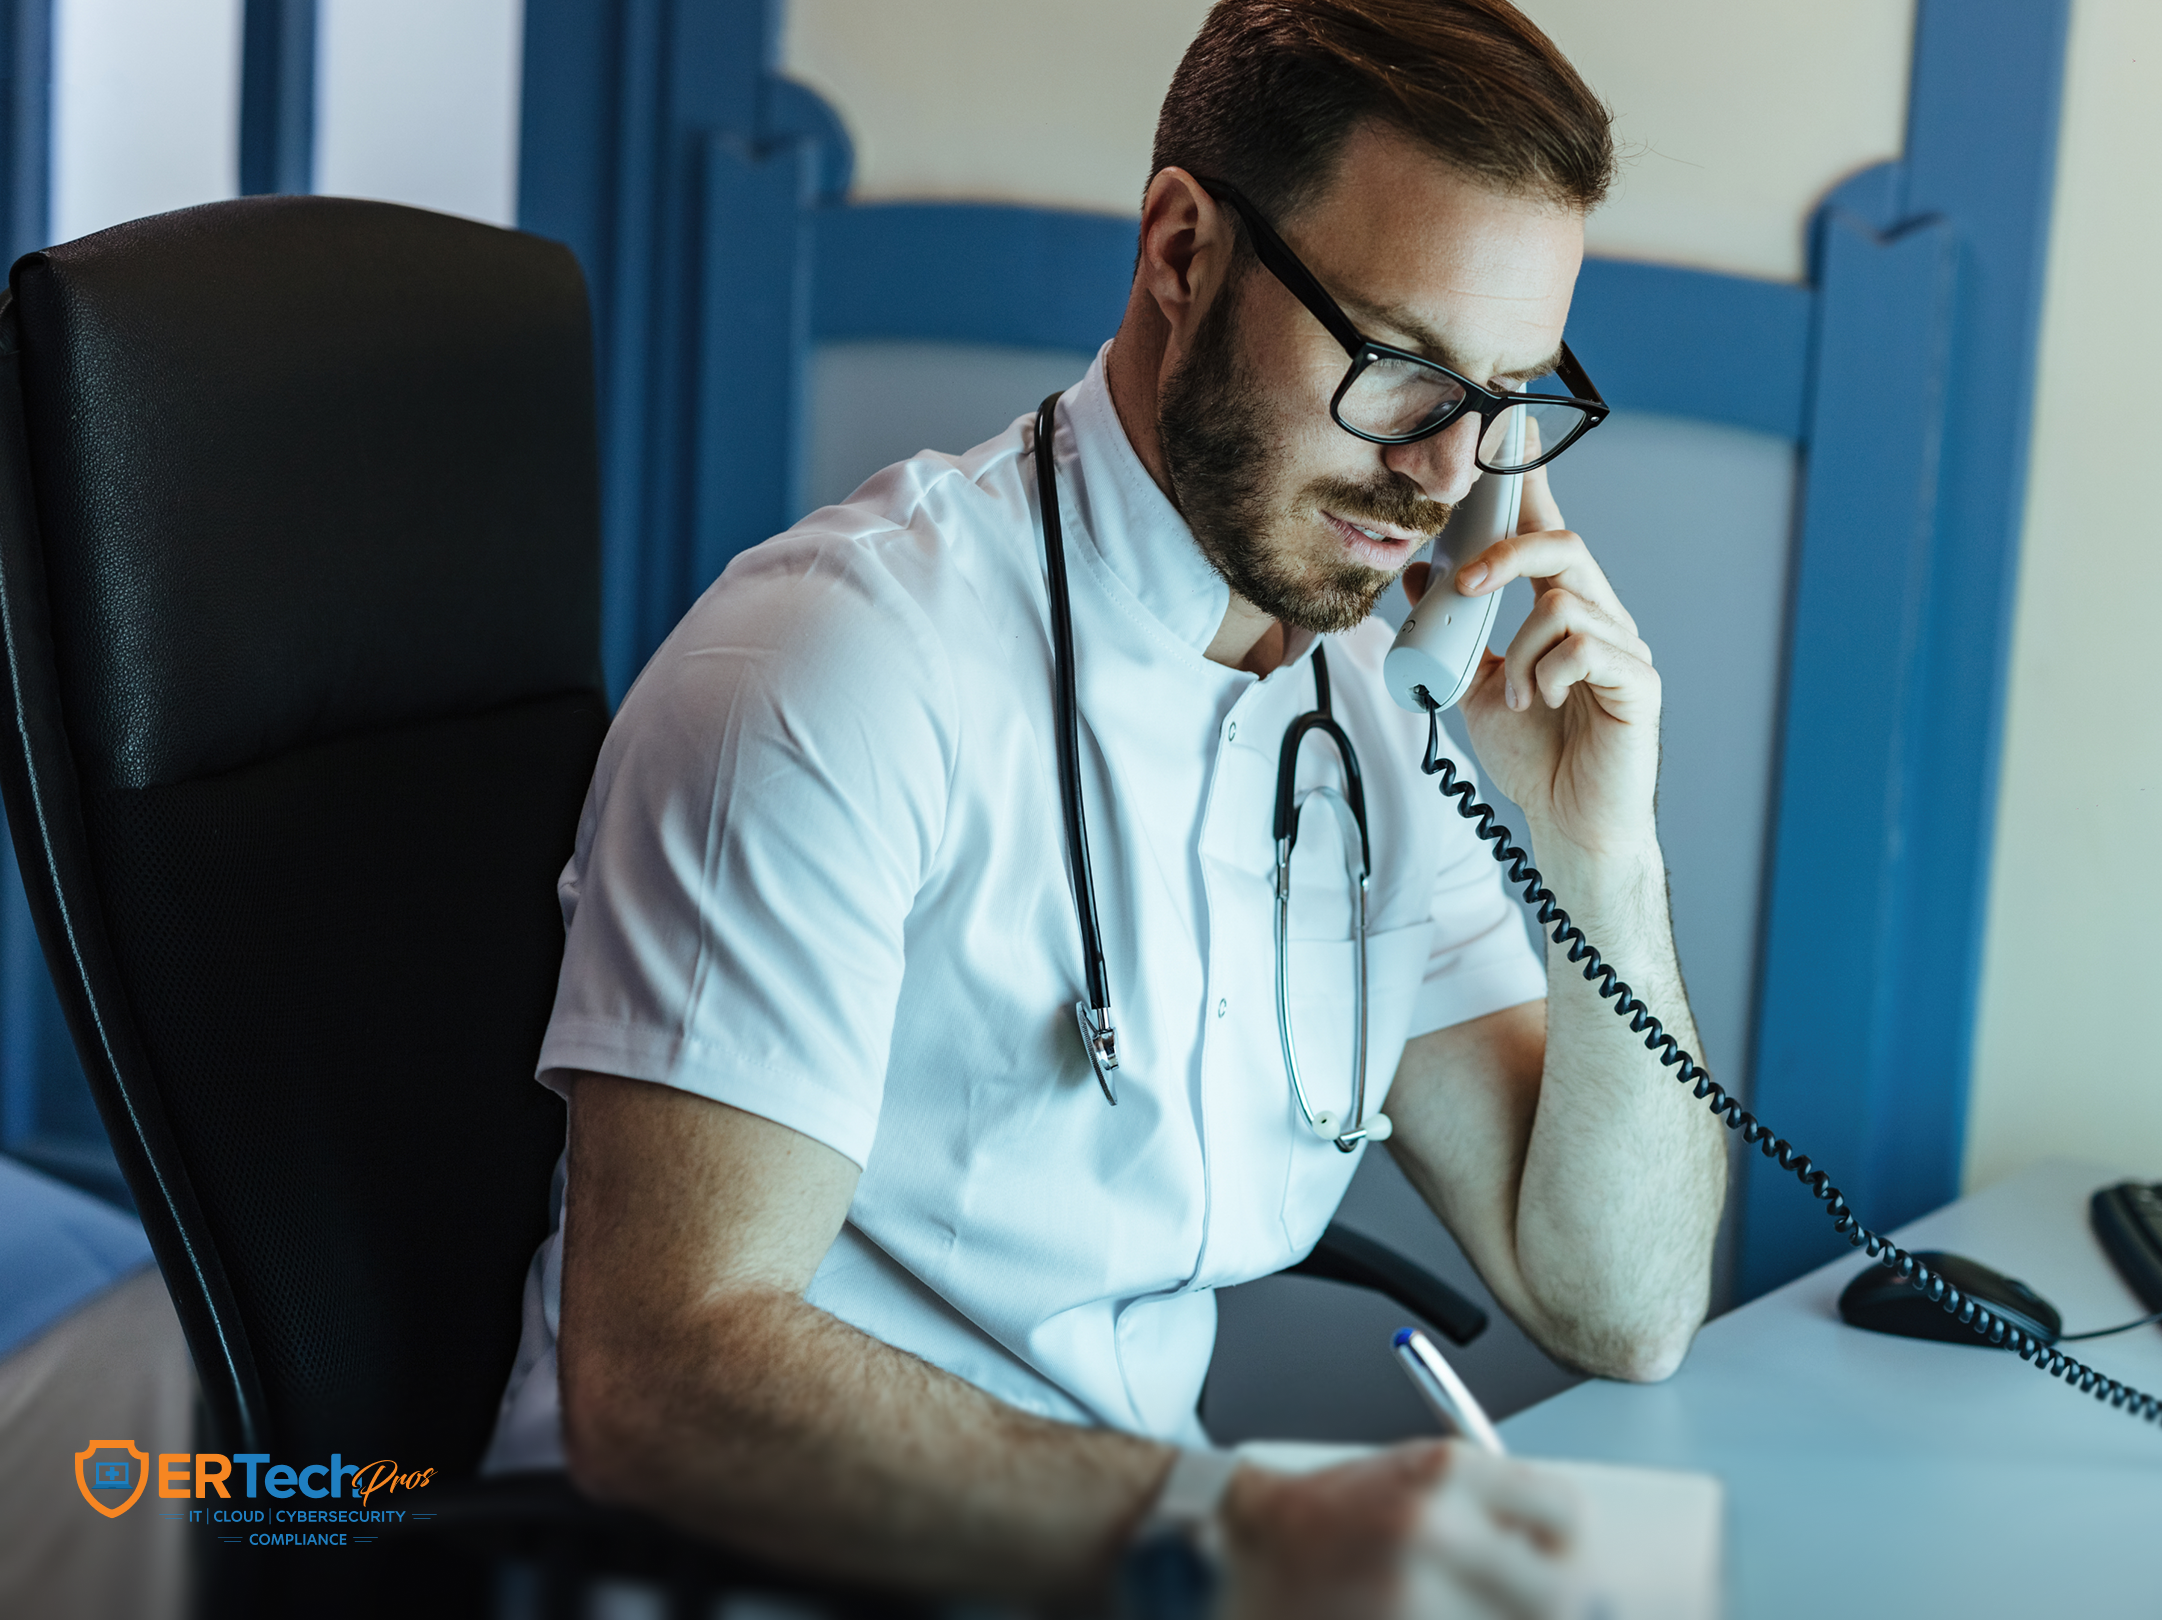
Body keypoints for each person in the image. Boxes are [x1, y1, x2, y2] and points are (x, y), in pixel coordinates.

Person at [479, 1, 1727, 1611]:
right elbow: (665, 1382)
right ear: (1183, 251)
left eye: (1508, 394)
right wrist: (1250, 1529)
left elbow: (1616, 1304)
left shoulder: (1363, 706)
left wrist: (1601, 853)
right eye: (1403, 369)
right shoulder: (832, 671)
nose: (1448, 474)